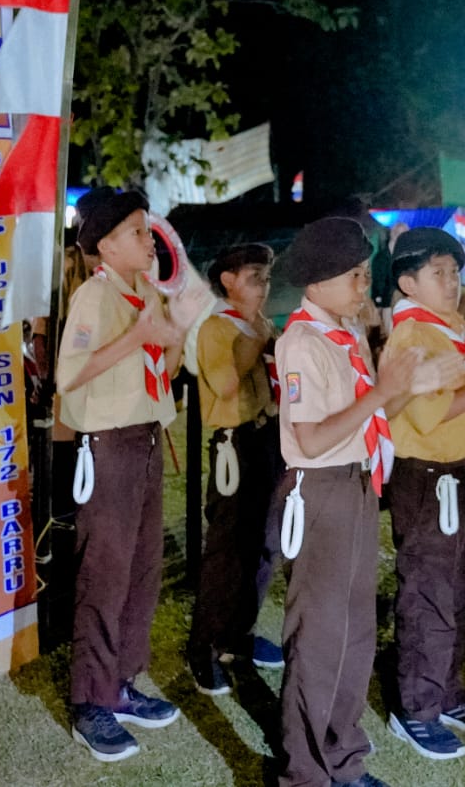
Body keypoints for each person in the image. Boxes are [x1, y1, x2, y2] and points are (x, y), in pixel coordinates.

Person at [273, 217, 444, 787]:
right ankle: (306, 772)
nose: (364, 286)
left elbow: (371, 417)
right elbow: (311, 439)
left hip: (358, 483)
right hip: (324, 489)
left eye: (366, 273)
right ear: (317, 281)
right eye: (354, 275)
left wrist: (405, 389)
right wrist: (383, 390)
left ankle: (342, 756)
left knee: (354, 630)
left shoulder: (344, 338)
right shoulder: (303, 343)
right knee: (319, 635)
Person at [56, 189, 184, 762]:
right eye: (136, 232)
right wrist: (137, 337)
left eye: (147, 230)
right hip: (110, 445)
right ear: (104, 246)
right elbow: (69, 375)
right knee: (105, 574)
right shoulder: (94, 296)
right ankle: (90, 701)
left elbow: (162, 368)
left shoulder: (145, 294)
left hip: (146, 437)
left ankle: (122, 683)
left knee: (142, 570)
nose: (149, 240)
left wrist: (172, 337)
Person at [381, 228, 465, 759]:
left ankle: (446, 693)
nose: (450, 281)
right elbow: (428, 412)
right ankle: (416, 708)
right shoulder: (412, 336)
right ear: (408, 283)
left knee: (459, 588)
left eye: (454, 271)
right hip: (428, 474)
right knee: (428, 591)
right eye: (436, 272)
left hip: (462, 469)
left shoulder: (455, 327)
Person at [186, 242, 284, 695]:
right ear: (227, 281)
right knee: (226, 551)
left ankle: (238, 634)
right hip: (234, 445)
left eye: (267, 277)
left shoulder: (258, 323)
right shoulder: (216, 326)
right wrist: (257, 341)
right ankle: (203, 648)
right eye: (254, 277)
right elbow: (225, 385)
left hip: (266, 438)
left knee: (263, 546)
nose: (264, 286)